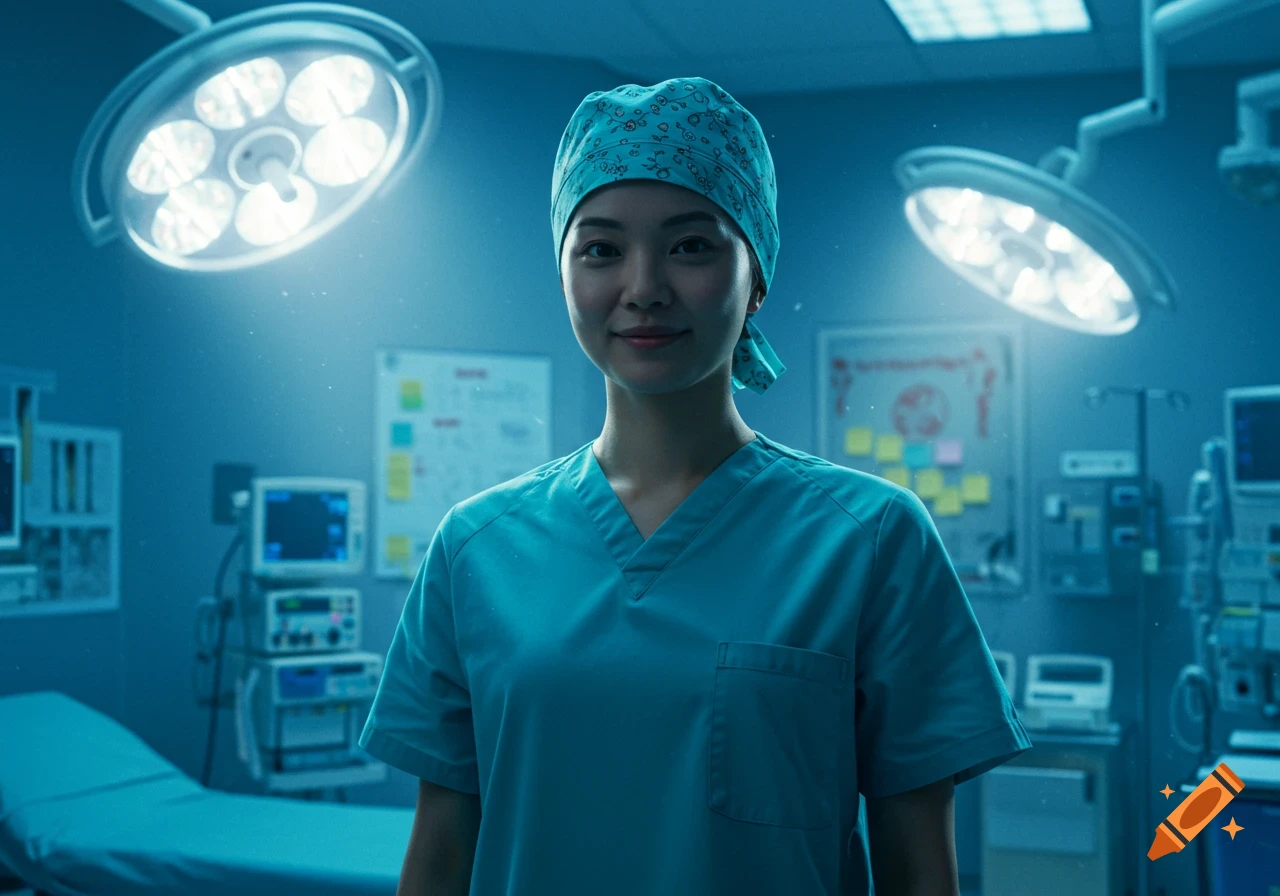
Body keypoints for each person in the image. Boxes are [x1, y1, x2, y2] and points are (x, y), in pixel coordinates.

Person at [360, 76, 1031, 896]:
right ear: (564, 277)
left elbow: (919, 869)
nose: (643, 286)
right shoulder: (476, 550)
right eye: (601, 249)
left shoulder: (868, 539)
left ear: (758, 278)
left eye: (691, 245)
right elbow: (437, 858)